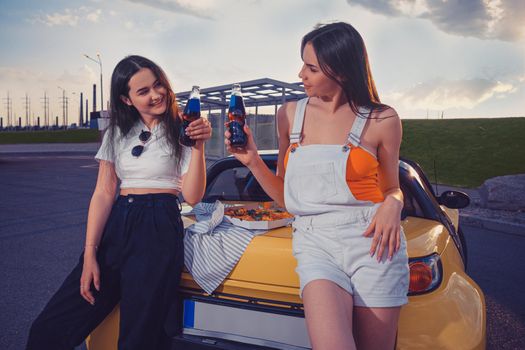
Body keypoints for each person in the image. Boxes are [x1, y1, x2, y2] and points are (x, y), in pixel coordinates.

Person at [225, 22, 409, 350]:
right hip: (315, 243)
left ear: (340, 69)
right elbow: (287, 197)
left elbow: (392, 188)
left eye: (310, 67)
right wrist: (253, 160)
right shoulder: (289, 115)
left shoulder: (382, 119)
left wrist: (393, 204)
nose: (300, 74)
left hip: (374, 244)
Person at [26, 55, 212, 350]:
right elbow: (103, 192)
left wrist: (199, 146)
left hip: (158, 228)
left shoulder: (184, 128)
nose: (155, 94)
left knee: (138, 339)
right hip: (118, 223)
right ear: (126, 100)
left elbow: (193, 196)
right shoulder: (116, 132)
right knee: (49, 329)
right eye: (143, 91)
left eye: (158, 84)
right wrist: (90, 254)